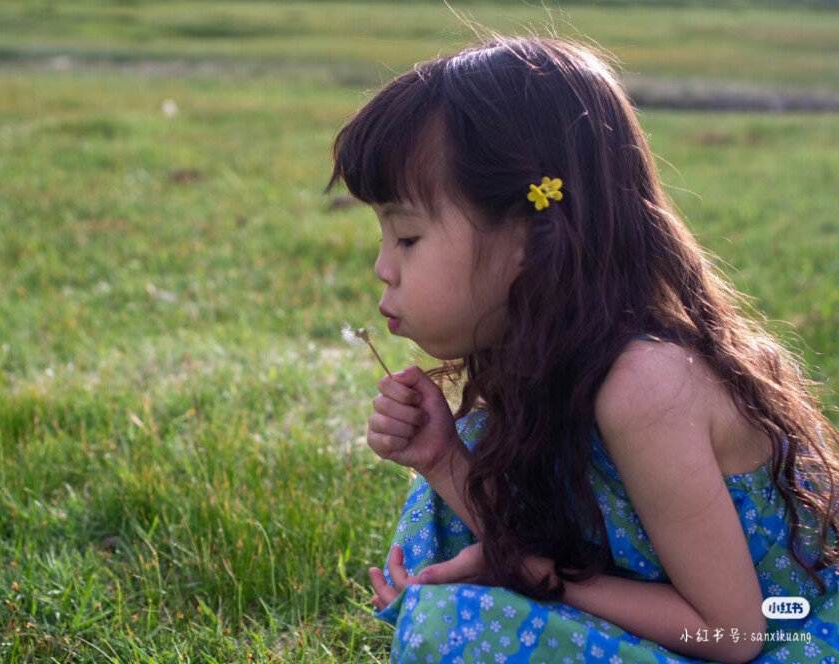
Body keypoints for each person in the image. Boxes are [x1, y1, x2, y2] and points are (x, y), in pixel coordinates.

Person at [327, 35, 839, 663]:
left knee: (450, 627)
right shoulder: (542, 361)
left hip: (775, 645)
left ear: (530, 233)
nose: (384, 267)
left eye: (407, 236)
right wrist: (440, 460)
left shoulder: (645, 385)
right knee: (451, 524)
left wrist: (545, 581)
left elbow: (733, 632)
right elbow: (548, 542)